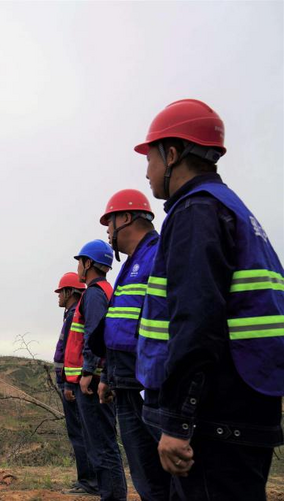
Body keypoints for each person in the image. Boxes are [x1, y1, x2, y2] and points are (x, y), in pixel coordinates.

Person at [135, 99, 284, 500]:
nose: (146, 172)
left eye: (149, 158)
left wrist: (178, 424)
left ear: (172, 154)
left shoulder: (196, 211)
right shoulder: (232, 209)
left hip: (216, 418)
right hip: (246, 403)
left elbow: (196, 322)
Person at [91, 189, 170, 500]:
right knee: (144, 471)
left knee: (163, 472)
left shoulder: (159, 254)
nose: (108, 232)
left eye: (109, 223)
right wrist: (109, 376)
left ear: (125, 218)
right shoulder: (132, 264)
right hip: (125, 381)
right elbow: (120, 326)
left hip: (150, 384)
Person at [63, 239, 127, 501]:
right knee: (100, 443)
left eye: (80, 261)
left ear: (88, 263)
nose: (78, 267)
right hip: (96, 377)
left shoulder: (94, 294)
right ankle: (108, 493)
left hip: (91, 381)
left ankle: (112, 496)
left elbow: (94, 335)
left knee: (102, 445)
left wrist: (88, 372)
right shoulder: (103, 291)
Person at [53, 272, 98, 496]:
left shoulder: (74, 316)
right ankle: (87, 479)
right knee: (80, 432)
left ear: (70, 292)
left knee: (79, 433)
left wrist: (69, 384)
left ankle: (89, 481)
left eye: (61, 292)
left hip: (72, 383)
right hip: (71, 382)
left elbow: (74, 352)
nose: (58, 296)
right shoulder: (72, 314)